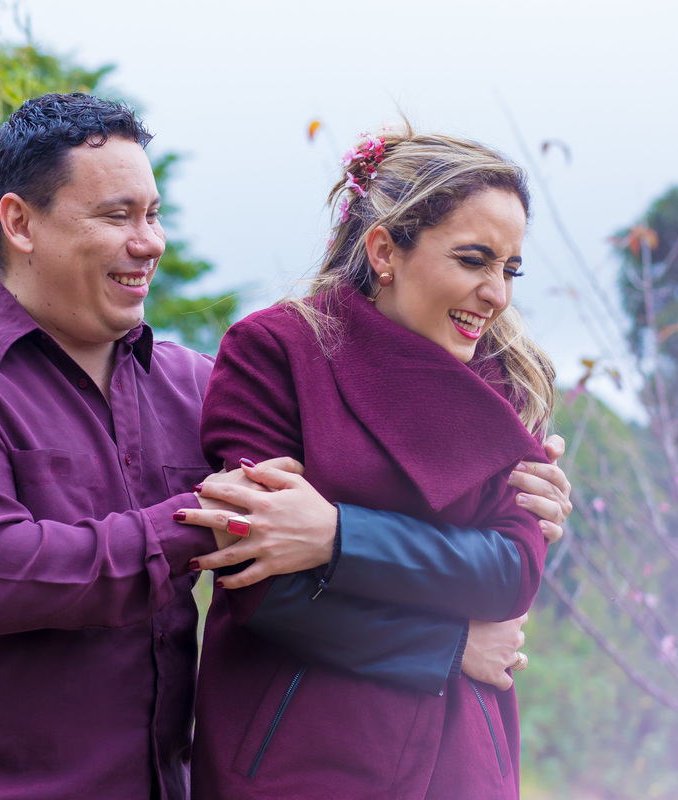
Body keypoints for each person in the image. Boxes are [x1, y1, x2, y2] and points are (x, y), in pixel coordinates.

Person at [0, 94, 572, 799]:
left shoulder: (191, 385)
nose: (149, 242)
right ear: (20, 222)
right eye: (117, 216)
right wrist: (218, 517)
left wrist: (504, 498)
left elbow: (318, 531)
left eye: (154, 214)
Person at [178, 127, 557, 799]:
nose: (497, 293)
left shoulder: (509, 383)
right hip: (298, 759)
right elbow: (265, 585)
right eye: (474, 260)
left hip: (463, 757)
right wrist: (448, 647)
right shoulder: (277, 352)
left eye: (510, 268)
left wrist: (333, 537)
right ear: (385, 249)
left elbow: (511, 573)